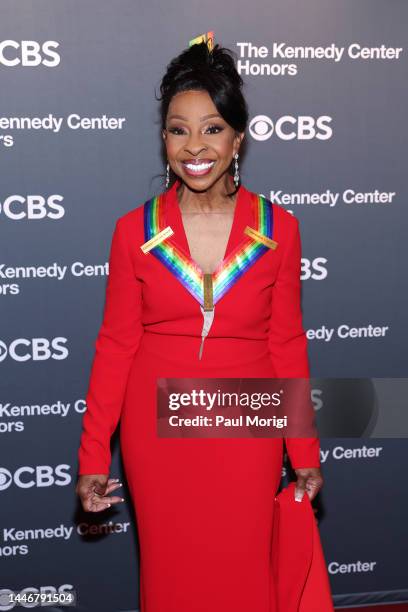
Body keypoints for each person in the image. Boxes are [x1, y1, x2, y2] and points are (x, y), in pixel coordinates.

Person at [76, 41, 331, 612]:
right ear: (163, 139)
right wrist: (93, 457)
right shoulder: (133, 231)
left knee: (243, 565)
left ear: (238, 139)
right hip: (158, 427)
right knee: (172, 569)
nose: (194, 147)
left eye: (212, 129)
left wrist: (304, 449)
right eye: (177, 130)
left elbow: (286, 342)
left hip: (248, 424)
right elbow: (116, 347)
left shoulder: (280, 228)